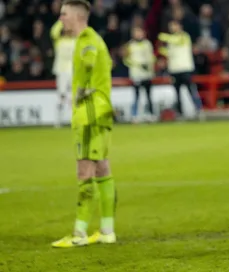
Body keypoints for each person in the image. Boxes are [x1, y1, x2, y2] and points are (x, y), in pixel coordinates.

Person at [52, 0, 117, 248]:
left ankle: (79, 234)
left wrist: (80, 92)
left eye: (64, 14)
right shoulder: (95, 39)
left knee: (84, 171)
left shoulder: (87, 39)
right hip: (101, 112)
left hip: (89, 113)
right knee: (102, 169)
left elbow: (89, 60)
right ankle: (107, 231)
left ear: (77, 16)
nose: (61, 19)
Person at [158, 20, 204, 120]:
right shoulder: (171, 40)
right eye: (171, 26)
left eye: (174, 26)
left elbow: (177, 41)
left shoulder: (184, 36)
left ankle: (199, 110)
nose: (172, 28)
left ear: (179, 26)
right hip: (174, 69)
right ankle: (180, 113)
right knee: (177, 93)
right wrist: (162, 50)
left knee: (191, 89)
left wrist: (163, 37)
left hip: (185, 68)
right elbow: (171, 53)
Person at [124, 26, 156, 123]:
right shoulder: (130, 45)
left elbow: (152, 57)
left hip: (147, 74)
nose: (138, 34)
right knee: (136, 95)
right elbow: (126, 60)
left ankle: (151, 114)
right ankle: (135, 115)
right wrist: (137, 65)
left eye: (139, 32)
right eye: (136, 32)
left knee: (149, 95)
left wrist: (149, 65)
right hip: (136, 74)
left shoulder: (147, 44)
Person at [50, 20, 76, 128]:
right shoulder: (59, 41)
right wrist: (62, 20)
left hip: (73, 71)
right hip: (61, 71)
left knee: (75, 95)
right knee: (61, 95)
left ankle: (75, 119)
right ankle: (58, 120)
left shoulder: (75, 41)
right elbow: (53, 32)